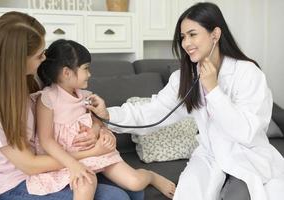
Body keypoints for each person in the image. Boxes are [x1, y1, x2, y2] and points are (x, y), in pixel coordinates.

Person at [87, 2, 284, 200]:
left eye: (192, 34)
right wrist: (108, 114)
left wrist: (213, 90)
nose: (186, 43)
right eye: (183, 37)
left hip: (247, 157)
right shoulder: (185, 78)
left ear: (215, 34)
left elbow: (247, 132)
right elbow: (151, 111)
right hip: (209, 157)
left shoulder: (248, 73)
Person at [0, 11, 144, 200]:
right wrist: (90, 153)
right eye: (38, 55)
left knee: (135, 189)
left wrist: (100, 128)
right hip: (19, 181)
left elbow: (75, 112)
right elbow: (30, 165)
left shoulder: (29, 78)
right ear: (18, 60)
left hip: (53, 166)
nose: (44, 59)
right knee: (115, 197)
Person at [29, 38, 176, 199]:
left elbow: (97, 120)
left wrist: (96, 129)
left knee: (135, 183)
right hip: (66, 160)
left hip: (98, 153)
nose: (90, 74)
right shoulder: (47, 99)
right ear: (66, 72)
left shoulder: (86, 96)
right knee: (85, 183)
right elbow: (46, 140)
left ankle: (151, 176)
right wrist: (72, 164)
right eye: (86, 68)